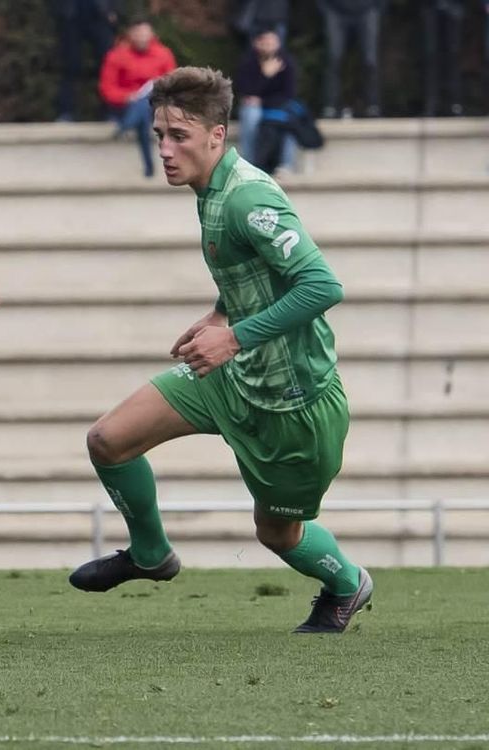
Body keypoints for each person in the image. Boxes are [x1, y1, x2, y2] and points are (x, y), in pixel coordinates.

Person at [68, 66, 372, 635]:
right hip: (229, 379)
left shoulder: (247, 199)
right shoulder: (209, 188)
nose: (165, 148)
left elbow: (322, 285)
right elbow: (253, 269)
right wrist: (220, 311)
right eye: (159, 133)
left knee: (278, 534)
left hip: (293, 405)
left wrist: (232, 336)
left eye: (179, 136)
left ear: (217, 135)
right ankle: (151, 554)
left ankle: (347, 584)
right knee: (109, 440)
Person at [98, 17, 175, 178]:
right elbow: (107, 88)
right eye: (138, 33)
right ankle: (148, 165)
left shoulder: (163, 54)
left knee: (145, 104)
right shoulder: (116, 55)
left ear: (152, 34)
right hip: (125, 105)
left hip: (156, 104)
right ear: (130, 34)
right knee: (142, 111)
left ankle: (125, 128)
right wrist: (127, 97)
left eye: (145, 33)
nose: (142, 37)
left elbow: (172, 84)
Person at [234, 26, 297, 171]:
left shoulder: (286, 63)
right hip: (253, 107)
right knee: (251, 114)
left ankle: (285, 165)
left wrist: (263, 101)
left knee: (290, 121)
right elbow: (245, 92)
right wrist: (265, 76)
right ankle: (249, 163)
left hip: (276, 107)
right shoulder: (248, 63)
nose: (269, 46)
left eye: (273, 42)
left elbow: (289, 94)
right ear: (256, 43)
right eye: (265, 42)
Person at [51, 0, 118, 123]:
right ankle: (66, 112)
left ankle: (109, 112)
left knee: (107, 65)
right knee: (70, 66)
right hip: (72, 14)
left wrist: (113, 10)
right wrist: (60, 10)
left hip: (101, 13)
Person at [316, 0, 384, 118]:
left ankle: (372, 105)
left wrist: (377, 10)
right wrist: (326, 10)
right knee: (333, 59)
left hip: (367, 11)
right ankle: (330, 106)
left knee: (370, 62)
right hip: (335, 13)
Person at [420, 0, 464, 117]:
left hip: (454, 6)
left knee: (453, 56)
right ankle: (431, 104)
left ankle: (454, 104)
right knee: (430, 56)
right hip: (430, 7)